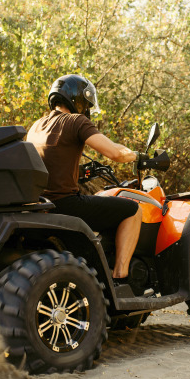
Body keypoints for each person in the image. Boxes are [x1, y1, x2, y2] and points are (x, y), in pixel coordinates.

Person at [26, 74, 142, 280]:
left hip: (41, 205)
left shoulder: (36, 126)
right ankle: (120, 276)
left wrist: (80, 172)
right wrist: (136, 155)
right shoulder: (75, 121)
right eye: (86, 103)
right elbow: (115, 152)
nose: (86, 109)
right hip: (66, 204)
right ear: (78, 100)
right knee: (133, 210)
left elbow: (49, 163)